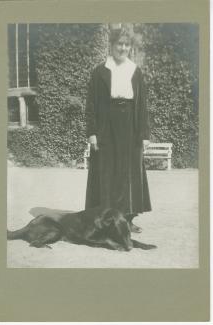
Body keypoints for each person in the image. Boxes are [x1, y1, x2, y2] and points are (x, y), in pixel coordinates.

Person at [85, 27, 152, 233]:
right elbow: (91, 104)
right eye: (119, 44)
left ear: (130, 47)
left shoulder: (135, 71)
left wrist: (144, 134)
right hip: (106, 125)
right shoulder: (100, 71)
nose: (123, 48)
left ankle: (128, 219)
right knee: (107, 171)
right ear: (112, 46)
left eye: (126, 45)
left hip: (130, 125)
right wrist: (92, 132)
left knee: (129, 172)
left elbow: (142, 105)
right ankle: (105, 219)